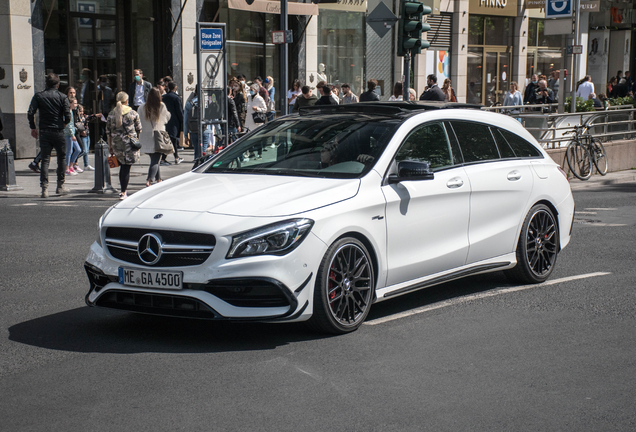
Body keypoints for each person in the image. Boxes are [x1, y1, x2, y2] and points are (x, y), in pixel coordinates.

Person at [27, 73, 72, 198]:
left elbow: (30, 113)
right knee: (61, 158)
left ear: (46, 84)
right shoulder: (62, 97)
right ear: (58, 85)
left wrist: (33, 127)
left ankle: (44, 188)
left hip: (44, 131)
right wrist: (64, 123)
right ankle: (60, 186)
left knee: (45, 159)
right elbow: (68, 116)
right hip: (58, 130)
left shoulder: (39, 96)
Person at [106, 92, 141, 200]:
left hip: (117, 144)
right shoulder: (133, 113)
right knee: (126, 168)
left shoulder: (112, 114)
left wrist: (110, 145)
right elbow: (139, 128)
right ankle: (123, 191)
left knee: (122, 167)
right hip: (129, 144)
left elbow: (108, 131)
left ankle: (122, 190)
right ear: (126, 101)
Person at [138, 87, 171, 187]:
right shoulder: (161, 106)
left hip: (145, 136)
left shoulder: (142, 107)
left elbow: (138, 120)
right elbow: (166, 119)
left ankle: (159, 179)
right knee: (155, 160)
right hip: (158, 136)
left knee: (154, 158)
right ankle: (149, 179)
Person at [161, 81, 184, 165]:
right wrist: (182, 121)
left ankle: (175, 157)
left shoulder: (163, 97)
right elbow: (179, 111)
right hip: (174, 121)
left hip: (165, 121)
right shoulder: (176, 98)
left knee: (171, 139)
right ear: (175, 87)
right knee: (172, 139)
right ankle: (170, 158)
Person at [64, 97, 82, 177]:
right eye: (74, 103)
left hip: (71, 134)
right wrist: (72, 135)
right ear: (70, 104)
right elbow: (68, 125)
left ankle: (71, 166)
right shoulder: (68, 112)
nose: (76, 105)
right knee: (69, 151)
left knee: (78, 150)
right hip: (68, 134)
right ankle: (66, 169)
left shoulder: (71, 111)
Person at [184, 84, 202, 160]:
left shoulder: (189, 103)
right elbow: (213, 116)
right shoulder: (206, 102)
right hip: (205, 129)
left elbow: (185, 120)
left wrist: (185, 135)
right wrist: (218, 131)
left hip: (193, 129)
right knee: (202, 151)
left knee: (196, 151)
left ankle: (196, 165)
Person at [75, 104, 94, 171]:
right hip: (82, 136)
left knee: (86, 151)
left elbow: (90, 117)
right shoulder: (76, 118)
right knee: (83, 151)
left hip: (87, 135)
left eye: (82, 111)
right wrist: (81, 131)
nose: (81, 113)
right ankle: (73, 162)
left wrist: (97, 115)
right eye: (80, 111)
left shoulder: (84, 117)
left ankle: (86, 165)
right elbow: (77, 126)